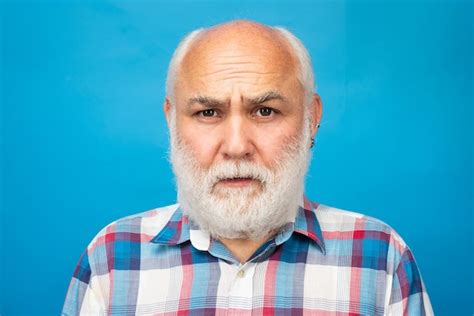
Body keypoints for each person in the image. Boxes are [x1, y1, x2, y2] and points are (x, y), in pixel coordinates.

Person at [62, 20, 433, 315]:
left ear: (310, 118)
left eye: (265, 111)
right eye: (208, 112)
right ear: (172, 120)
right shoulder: (112, 258)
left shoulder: (380, 258)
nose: (237, 146)